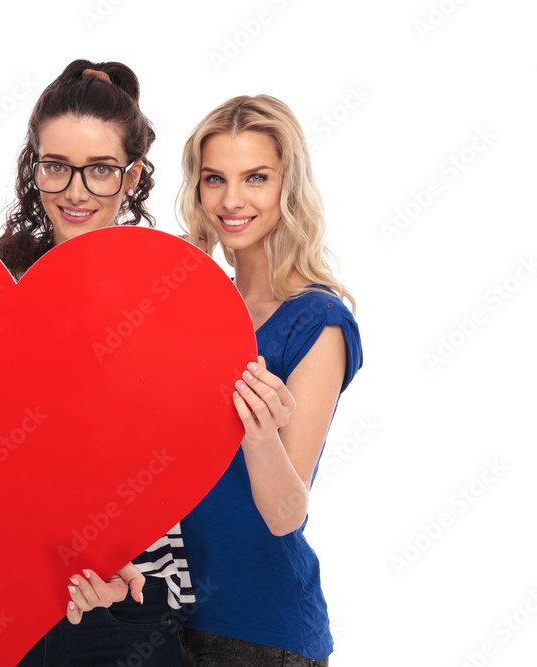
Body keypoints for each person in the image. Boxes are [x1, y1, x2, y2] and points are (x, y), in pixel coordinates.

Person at [0, 58, 194, 666]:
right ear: (36, 167)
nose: (76, 191)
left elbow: (186, 454)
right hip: (6, 602)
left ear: (132, 176)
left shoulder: (176, 295)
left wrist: (115, 553)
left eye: (101, 171)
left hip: (132, 603)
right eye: (57, 167)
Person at [174, 95, 363, 666]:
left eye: (256, 178)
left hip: (260, 632)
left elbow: (286, 514)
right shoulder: (193, 304)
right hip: (163, 613)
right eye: (215, 179)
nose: (231, 201)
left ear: (289, 186)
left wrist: (258, 435)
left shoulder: (318, 321)